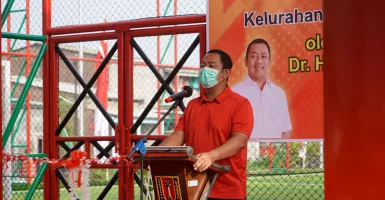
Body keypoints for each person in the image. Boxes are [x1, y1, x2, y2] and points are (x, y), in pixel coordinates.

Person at [160, 49, 254, 200]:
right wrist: (155, 154)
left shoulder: (240, 104)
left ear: (225, 73)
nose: (205, 70)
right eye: (202, 65)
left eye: (211, 65)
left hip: (227, 191)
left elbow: (240, 141)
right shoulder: (193, 106)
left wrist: (212, 156)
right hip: (194, 189)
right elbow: (177, 136)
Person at [232, 38, 292, 139]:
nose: (259, 61)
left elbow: (285, 131)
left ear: (269, 61)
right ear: (246, 61)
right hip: (245, 152)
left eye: (263, 56)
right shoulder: (235, 93)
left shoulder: (279, 93)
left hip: (275, 153)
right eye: (254, 56)